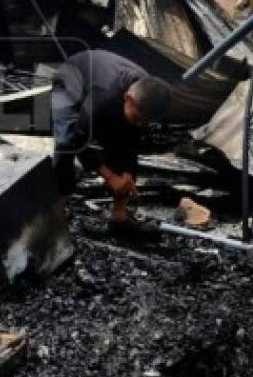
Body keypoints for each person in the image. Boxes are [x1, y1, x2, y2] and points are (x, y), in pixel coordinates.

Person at [51, 50, 172, 242]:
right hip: (70, 81)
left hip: (104, 86)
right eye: (139, 119)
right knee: (65, 143)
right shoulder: (102, 100)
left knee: (126, 141)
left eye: (147, 122)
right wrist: (110, 176)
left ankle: (119, 219)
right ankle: (57, 211)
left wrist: (126, 177)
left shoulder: (146, 90)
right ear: (128, 98)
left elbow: (130, 145)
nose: (142, 125)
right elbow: (78, 140)